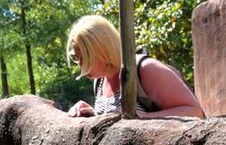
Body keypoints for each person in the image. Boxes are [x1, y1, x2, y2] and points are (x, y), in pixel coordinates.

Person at [65, 15, 204, 119]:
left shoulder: (145, 70)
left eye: (85, 58)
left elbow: (195, 112)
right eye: (77, 59)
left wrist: (138, 117)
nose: (81, 65)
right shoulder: (100, 81)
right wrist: (93, 115)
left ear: (103, 50)